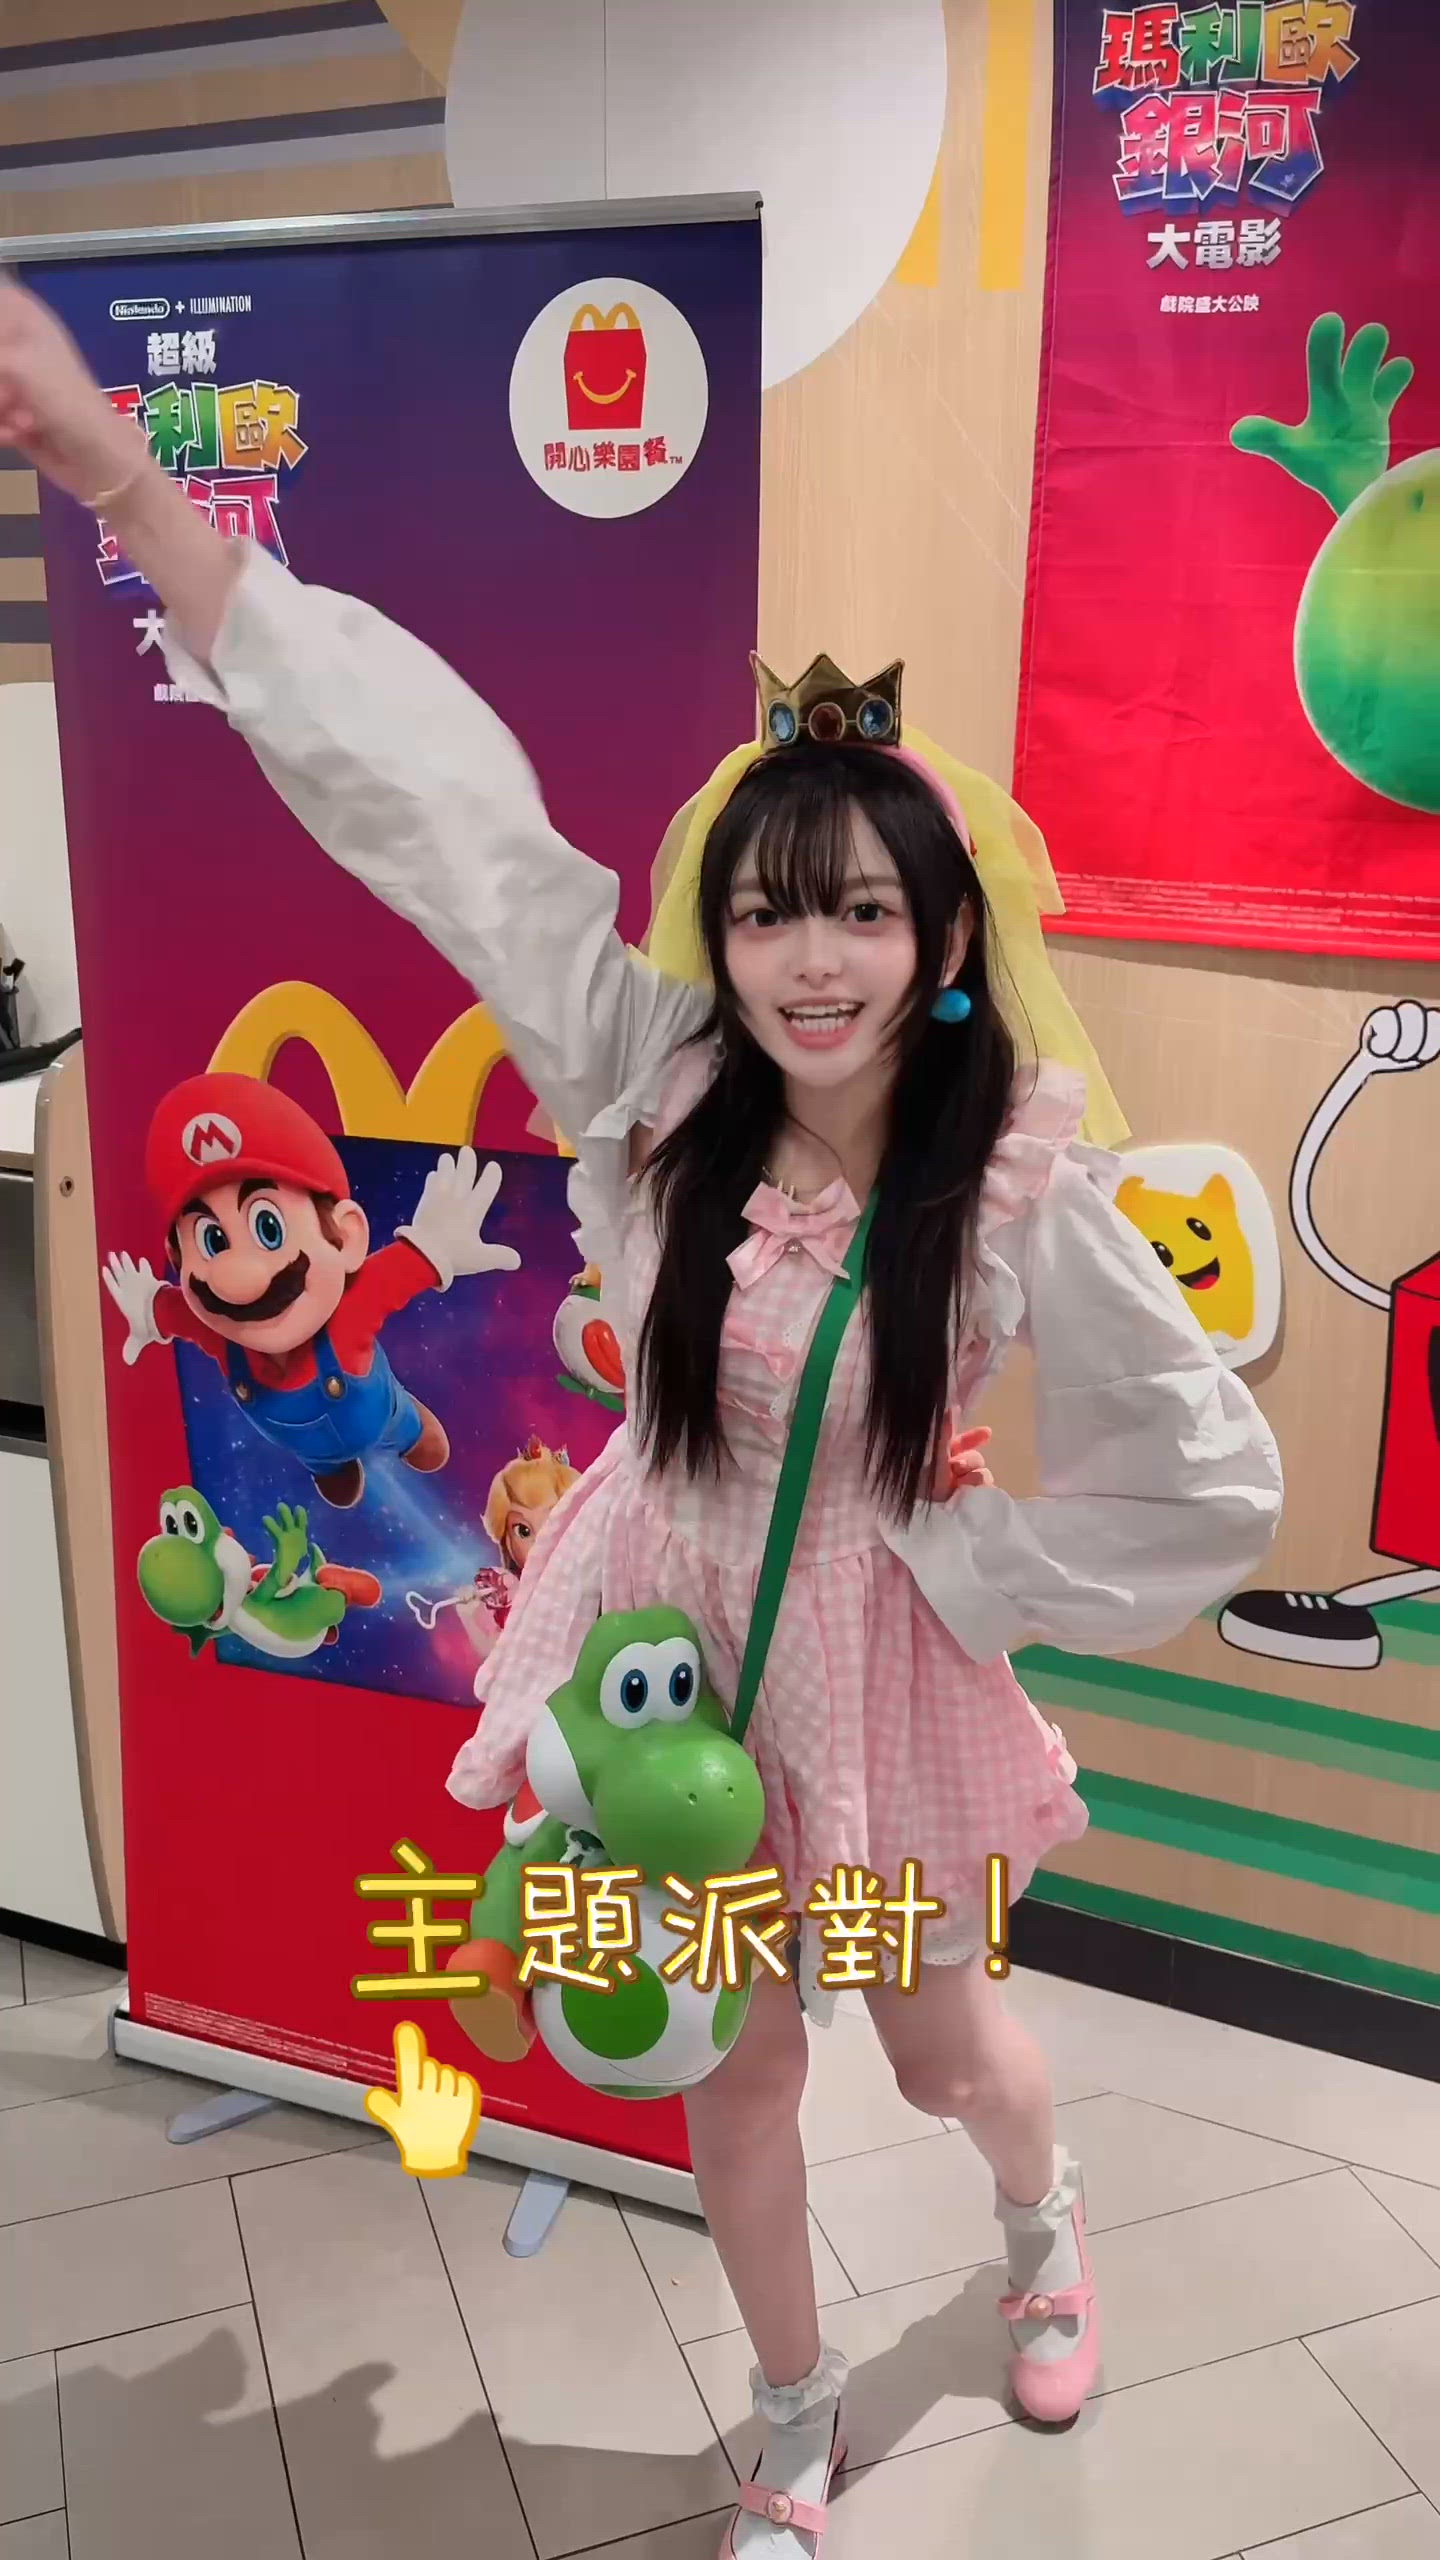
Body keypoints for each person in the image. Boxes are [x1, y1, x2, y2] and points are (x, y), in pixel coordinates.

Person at [0, 277, 1282, 2557]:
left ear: (941, 936)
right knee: (726, 2058)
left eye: (863, 913)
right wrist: (120, 479)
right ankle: (789, 2418)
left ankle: (1042, 2220)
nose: (814, 959)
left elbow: (1208, 1478)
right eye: (774, 914)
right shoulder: (649, 1077)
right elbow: (436, 810)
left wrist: (972, 1557)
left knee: (940, 2046)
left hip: (880, 1682)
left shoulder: (1016, 1181)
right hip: (652, 1649)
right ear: (726, 926)